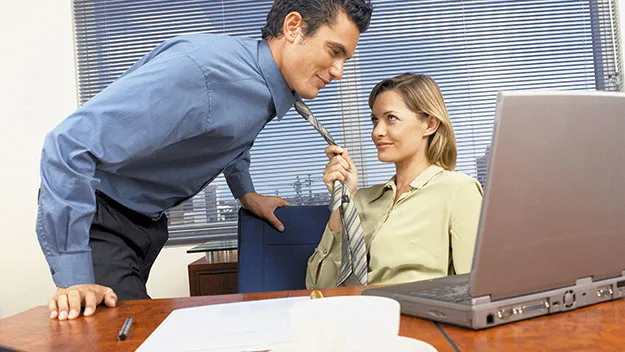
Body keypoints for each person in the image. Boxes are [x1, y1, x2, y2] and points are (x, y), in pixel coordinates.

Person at [38, 0, 373, 320]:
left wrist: (246, 193)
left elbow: (233, 134)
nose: (339, 72)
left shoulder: (263, 86)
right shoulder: (204, 73)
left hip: (145, 223)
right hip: (102, 217)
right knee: (125, 338)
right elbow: (68, 145)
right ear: (294, 27)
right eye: (334, 52)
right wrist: (74, 279)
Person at [306, 73, 483, 288]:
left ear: (430, 124)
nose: (377, 132)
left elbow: (478, 289)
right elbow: (317, 287)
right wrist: (342, 201)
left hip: (415, 317)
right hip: (353, 314)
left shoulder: (458, 190)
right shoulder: (360, 200)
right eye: (375, 120)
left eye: (391, 118)